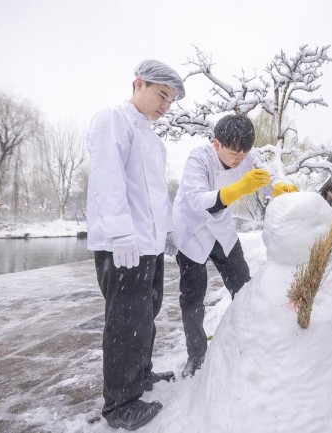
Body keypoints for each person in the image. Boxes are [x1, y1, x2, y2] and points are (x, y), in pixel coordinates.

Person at [86, 59, 185, 431]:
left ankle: (140, 375)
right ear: (139, 84)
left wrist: (169, 232)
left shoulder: (154, 140)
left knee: (146, 314)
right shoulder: (113, 120)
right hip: (124, 244)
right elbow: (107, 178)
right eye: (162, 95)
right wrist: (120, 232)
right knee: (125, 320)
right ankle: (120, 404)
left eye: (171, 101)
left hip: (150, 244)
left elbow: (157, 195)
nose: (165, 105)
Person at [172, 113, 298, 379]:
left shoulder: (246, 156)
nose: (239, 159)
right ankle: (196, 356)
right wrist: (240, 188)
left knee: (243, 287)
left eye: (244, 154)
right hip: (192, 233)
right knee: (193, 298)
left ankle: (249, 340)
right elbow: (197, 200)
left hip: (222, 232)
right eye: (233, 154)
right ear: (216, 144)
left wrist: (279, 187)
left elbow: (265, 178)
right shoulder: (198, 159)